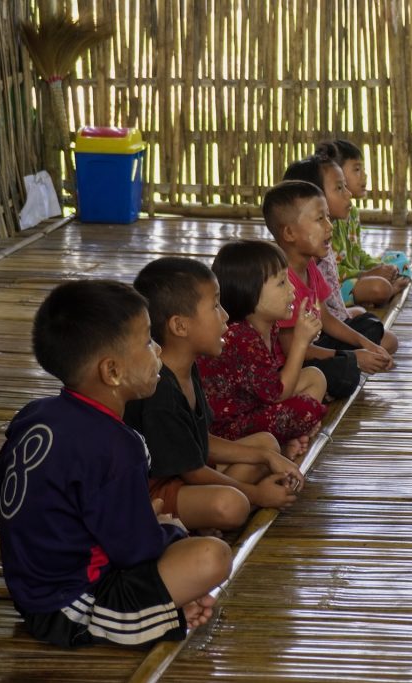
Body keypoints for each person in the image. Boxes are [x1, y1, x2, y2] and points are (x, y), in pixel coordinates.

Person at [0, 280, 232, 647]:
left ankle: (163, 609)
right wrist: (166, 528)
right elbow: (136, 550)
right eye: (148, 341)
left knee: (180, 549)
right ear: (112, 371)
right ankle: (152, 618)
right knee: (210, 557)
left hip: (31, 590)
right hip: (74, 607)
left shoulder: (35, 414)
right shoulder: (116, 445)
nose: (158, 349)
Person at [124, 258, 305, 533]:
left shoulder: (187, 366)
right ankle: (199, 518)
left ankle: (202, 517)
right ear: (180, 326)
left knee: (267, 444)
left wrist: (265, 457)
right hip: (153, 492)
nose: (225, 316)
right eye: (215, 306)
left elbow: (199, 441)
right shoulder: (160, 390)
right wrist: (257, 495)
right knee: (231, 506)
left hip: (185, 474)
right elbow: (192, 470)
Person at [263, 180, 394, 400]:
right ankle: (317, 389)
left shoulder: (310, 266)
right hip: (293, 362)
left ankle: (339, 373)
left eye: (328, 218)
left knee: (369, 325)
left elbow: (326, 318)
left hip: (315, 343)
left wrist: (366, 344)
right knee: (345, 373)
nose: (329, 227)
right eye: (319, 219)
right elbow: (294, 351)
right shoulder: (281, 282)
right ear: (289, 233)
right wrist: (352, 357)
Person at [196, 239, 328, 444]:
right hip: (227, 429)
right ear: (249, 291)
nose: (292, 289)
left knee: (315, 377)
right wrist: (301, 342)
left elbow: (269, 387)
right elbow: (278, 393)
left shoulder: (268, 325)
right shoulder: (240, 336)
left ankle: (287, 441)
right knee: (305, 410)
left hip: (253, 405)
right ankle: (281, 443)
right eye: (282, 283)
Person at [282, 155, 398, 356]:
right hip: (309, 343)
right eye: (339, 188)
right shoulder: (292, 267)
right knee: (379, 337)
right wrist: (352, 356)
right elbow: (290, 345)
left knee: (369, 323)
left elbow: (325, 314)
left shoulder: (320, 248)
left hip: (325, 326)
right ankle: (348, 359)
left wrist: (362, 343)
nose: (349, 194)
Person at [316, 139, 409, 308]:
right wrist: (368, 274)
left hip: (357, 274)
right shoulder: (326, 223)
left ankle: (376, 292)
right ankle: (384, 292)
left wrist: (381, 267)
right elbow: (332, 271)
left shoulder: (352, 214)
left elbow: (357, 253)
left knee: (400, 260)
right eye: (357, 169)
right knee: (378, 288)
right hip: (338, 282)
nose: (364, 176)